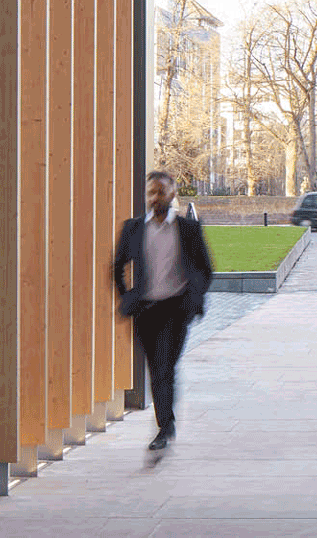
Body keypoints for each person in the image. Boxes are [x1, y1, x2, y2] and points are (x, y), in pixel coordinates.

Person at [112, 170, 214, 453]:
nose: (156, 198)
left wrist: (194, 299)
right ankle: (165, 426)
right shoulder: (133, 228)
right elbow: (118, 266)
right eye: (152, 193)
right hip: (146, 311)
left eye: (161, 192)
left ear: (172, 194)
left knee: (165, 367)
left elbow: (206, 269)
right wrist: (128, 297)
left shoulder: (189, 229)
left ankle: (164, 426)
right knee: (157, 369)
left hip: (176, 310)